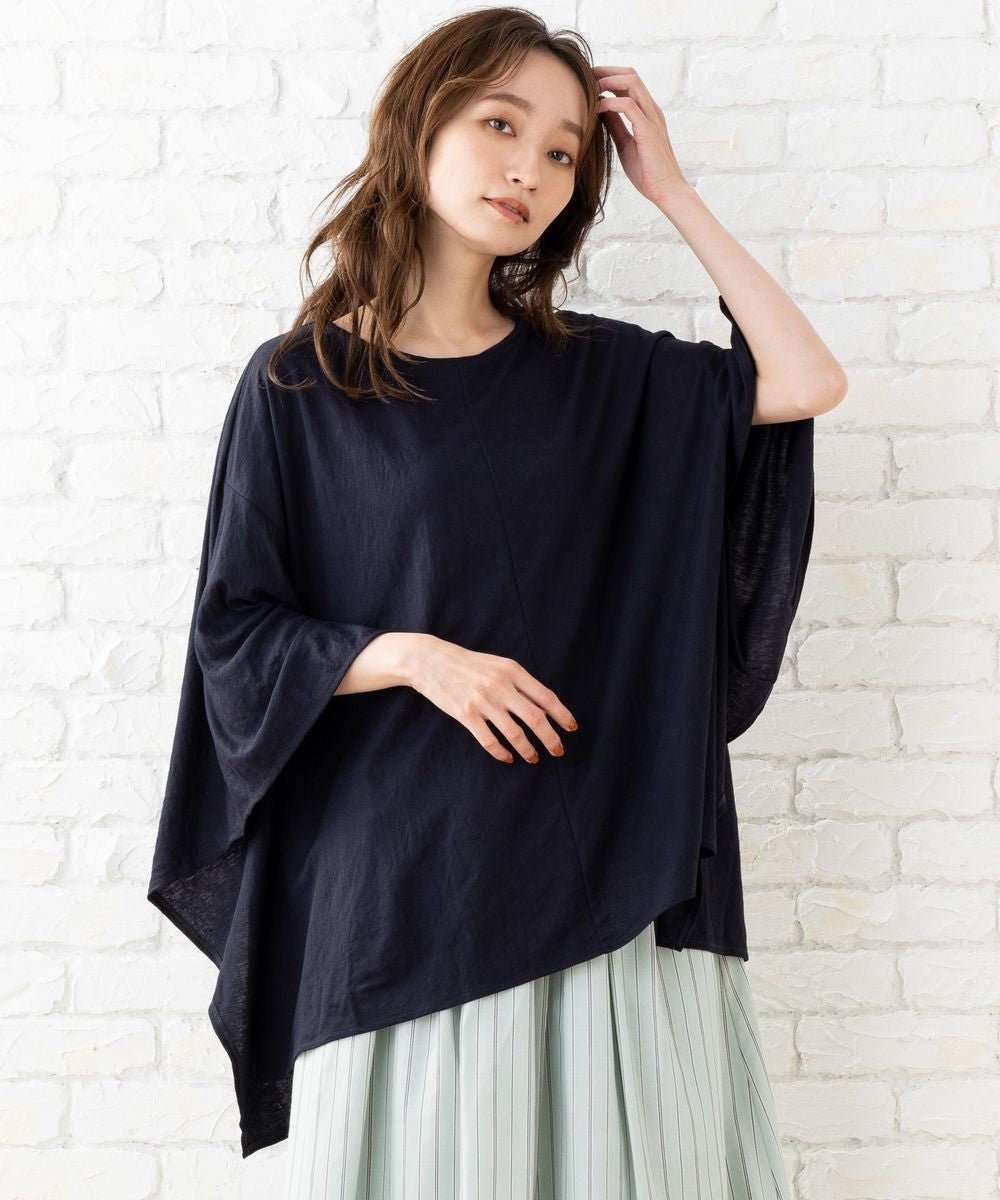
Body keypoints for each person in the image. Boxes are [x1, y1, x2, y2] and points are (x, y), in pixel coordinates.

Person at [147, 7, 846, 1198]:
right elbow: (237, 637)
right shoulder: (300, 385)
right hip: (406, 885)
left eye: (565, 152)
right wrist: (415, 656)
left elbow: (804, 377)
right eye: (501, 124)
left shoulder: (605, 376)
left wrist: (669, 189)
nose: (530, 168)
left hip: (605, 866)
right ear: (419, 127)